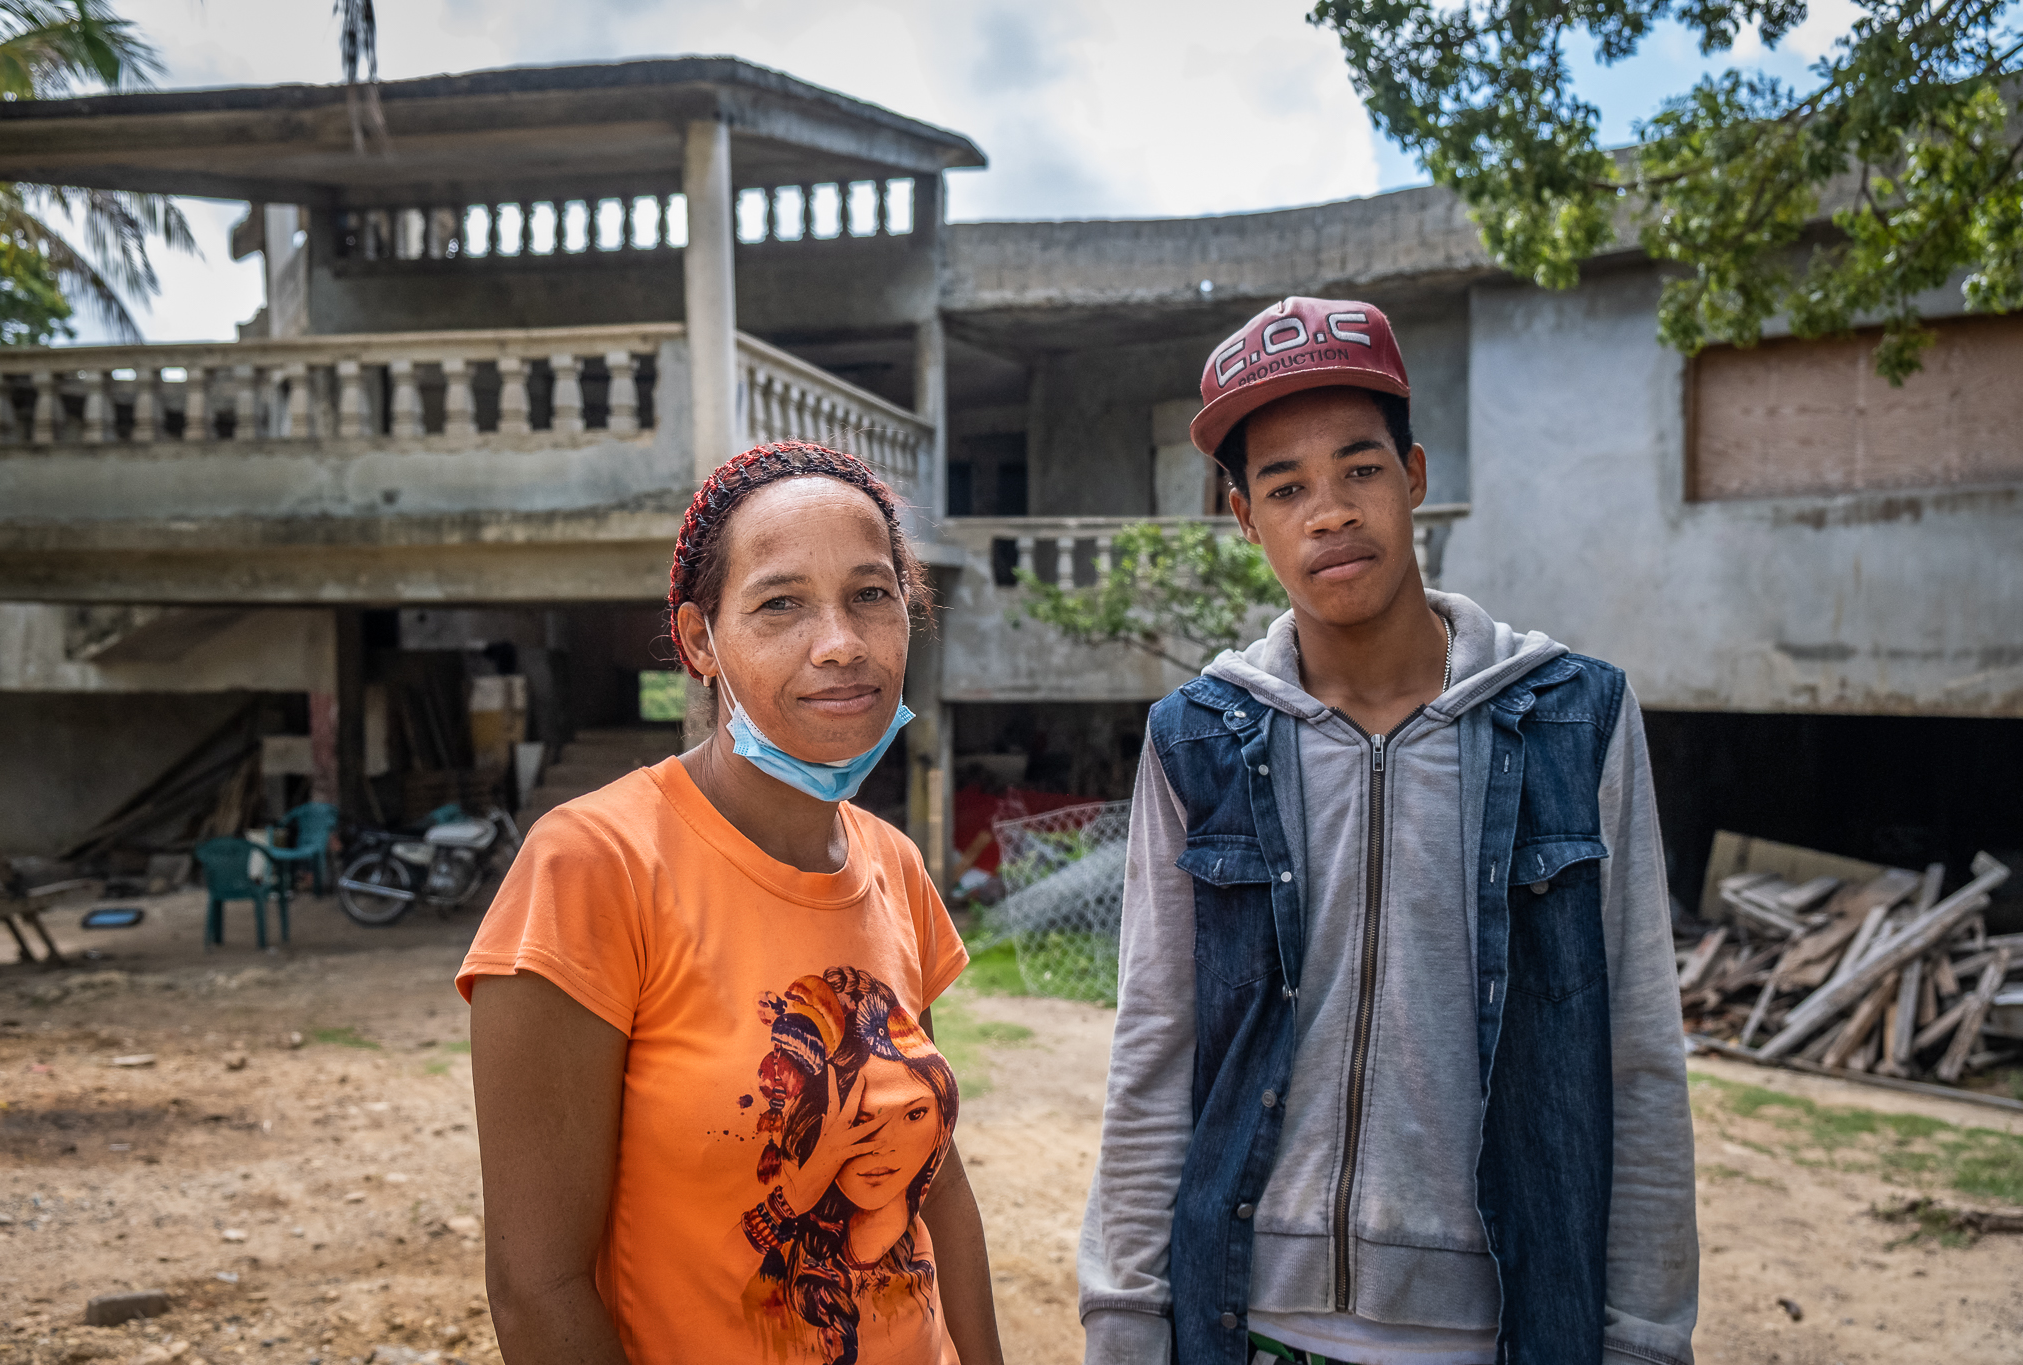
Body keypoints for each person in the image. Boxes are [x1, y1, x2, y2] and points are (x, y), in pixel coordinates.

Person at [1078, 299, 1698, 1365]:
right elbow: (1154, 1045)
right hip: (1245, 1320)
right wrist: (1124, 1323)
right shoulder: (1197, 740)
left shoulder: (1570, 720)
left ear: (1411, 476)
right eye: (1284, 486)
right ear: (1243, 519)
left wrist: (1643, 1336)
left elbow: (1635, 1052)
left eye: (1357, 469)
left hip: (1499, 1329)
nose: (1327, 512)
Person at [461, 442, 1006, 1365]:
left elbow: (935, 1186)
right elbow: (536, 1285)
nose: (840, 642)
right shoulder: (593, 866)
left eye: (872, 595)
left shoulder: (896, 867)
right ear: (700, 640)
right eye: (781, 603)